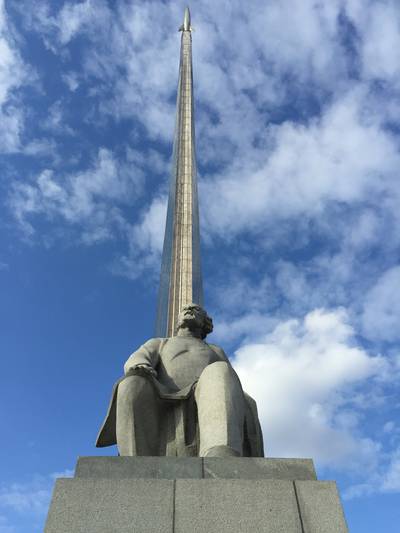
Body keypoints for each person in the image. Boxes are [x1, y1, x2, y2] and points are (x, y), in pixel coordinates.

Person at [96, 304, 264, 457]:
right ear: (176, 321)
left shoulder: (214, 349)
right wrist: (140, 366)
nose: (190, 309)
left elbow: (229, 378)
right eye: (185, 310)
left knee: (220, 369)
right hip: (160, 393)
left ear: (205, 323)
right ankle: (135, 459)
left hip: (204, 392)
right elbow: (137, 358)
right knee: (130, 383)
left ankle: (220, 452)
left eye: (197, 310)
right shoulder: (160, 343)